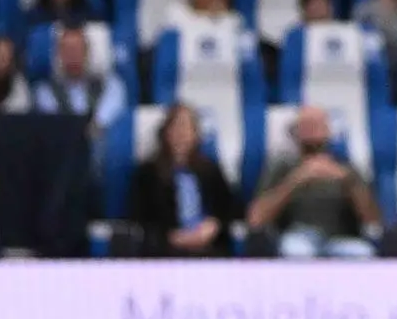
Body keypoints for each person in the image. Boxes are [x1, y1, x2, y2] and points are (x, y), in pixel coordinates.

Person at [244, 106, 383, 258]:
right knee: (298, 251)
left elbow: (373, 221)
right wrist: (295, 180)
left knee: (361, 252)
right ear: (295, 132)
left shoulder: (347, 167)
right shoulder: (282, 167)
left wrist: (350, 184)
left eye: (317, 125)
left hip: (341, 238)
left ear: (329, 131)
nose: (312, 131)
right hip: (297, 235)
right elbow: (256, 218)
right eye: (306, 126)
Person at [129, 102, 241, 256]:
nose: (181, 133)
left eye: (187, 128)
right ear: (165, 132)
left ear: (196, 134)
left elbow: (230, 207)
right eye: (176, 127)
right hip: (165, 249)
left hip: (208, 247)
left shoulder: (210, 170)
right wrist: (172, 236)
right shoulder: (148, 173)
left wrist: (214, 225)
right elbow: (140, 215)